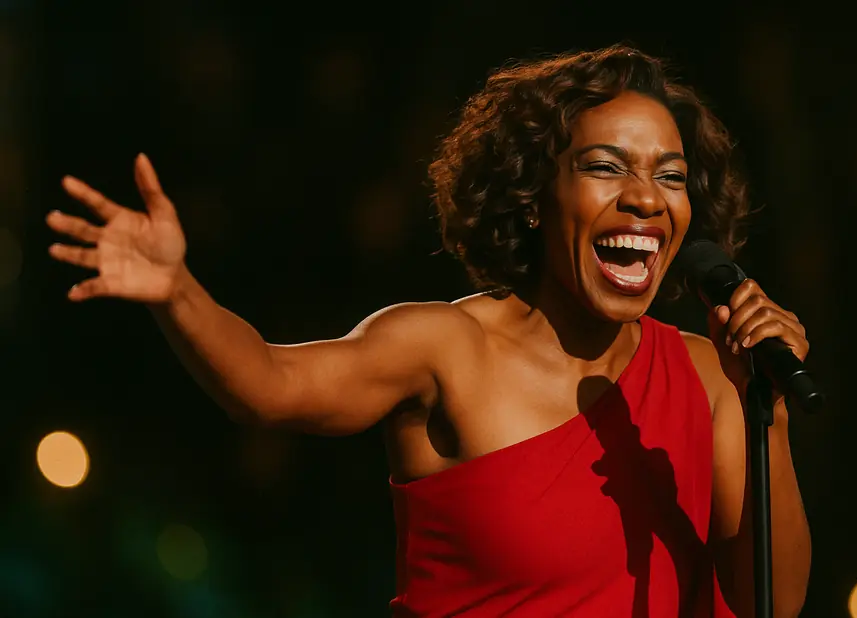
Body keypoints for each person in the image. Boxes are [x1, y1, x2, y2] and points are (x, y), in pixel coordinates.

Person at [46, 45, 811, 617]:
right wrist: (178, 292)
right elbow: (269, 387)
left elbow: (770, 603)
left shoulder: (716, 378)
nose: (646, 198)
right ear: (537, 195)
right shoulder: (448, 349)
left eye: (670, 176)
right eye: (607, 167)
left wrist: (765, 415)